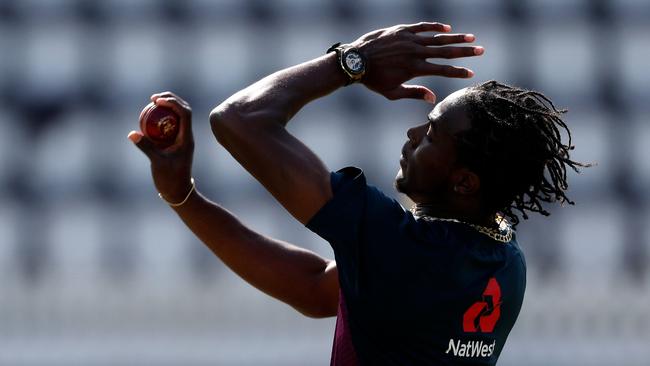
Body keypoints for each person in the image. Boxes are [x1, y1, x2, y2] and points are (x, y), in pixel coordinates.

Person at [128, 22, 586, 365]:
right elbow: (316, 289)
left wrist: (351, 62)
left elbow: (239, 119)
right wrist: (184, 197)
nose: (411, 133)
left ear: (464, 181)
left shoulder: (402, 246)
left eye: (430, 134)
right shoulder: (505, 260)